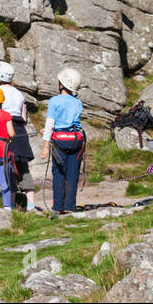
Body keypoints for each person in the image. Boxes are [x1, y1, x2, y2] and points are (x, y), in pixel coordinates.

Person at [40, 68, 86, 215]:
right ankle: (70, 206)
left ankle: (58, 206)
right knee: (73, 174)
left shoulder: (54, 101)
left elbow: (50, 124)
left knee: (59, 173)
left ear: (61, 85)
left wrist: (45, 146)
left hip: (59, 142)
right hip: (76, 140)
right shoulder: (78, 103)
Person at [0, 61, 38, 211]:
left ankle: (10, 207)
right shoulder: (18, 93)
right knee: (23, 168)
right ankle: (31, 206)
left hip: (5, 130)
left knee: (8, 169)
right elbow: (24, 117)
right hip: (20, 131)